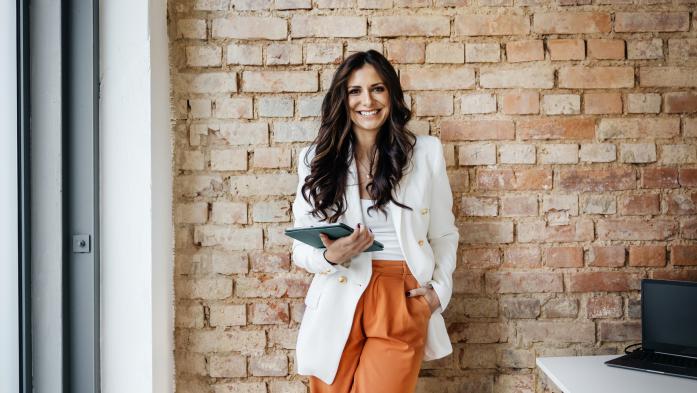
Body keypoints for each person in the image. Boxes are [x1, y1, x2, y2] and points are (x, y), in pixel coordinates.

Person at [291, 49, 459, 393]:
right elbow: (300, 247)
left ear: (391, 94)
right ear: (343, 98)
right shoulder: (316, 159)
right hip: (339, 289)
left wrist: (439, 293)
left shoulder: (425, 153)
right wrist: (329, 255)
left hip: (401, 293)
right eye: (355, 91)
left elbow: (443, 232)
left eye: (377, 89)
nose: (367, 100)